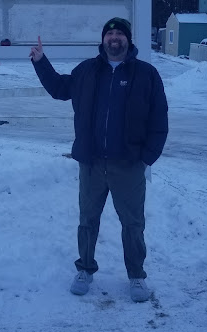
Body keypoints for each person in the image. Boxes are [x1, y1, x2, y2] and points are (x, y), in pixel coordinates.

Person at [29, 17, 168, 302]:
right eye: (110, 33)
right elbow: (59, 88)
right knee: (88, 220)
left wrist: (147, 157)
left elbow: (159, 117)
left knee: (133, 223)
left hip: (128, 164)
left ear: (128, 40)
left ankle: (136, 276)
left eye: (120, 34)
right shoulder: (87, 70)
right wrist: (41, 62)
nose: (114, 38)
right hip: (91, 163)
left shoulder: (146, 74)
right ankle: (85, 269)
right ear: (103, 39)